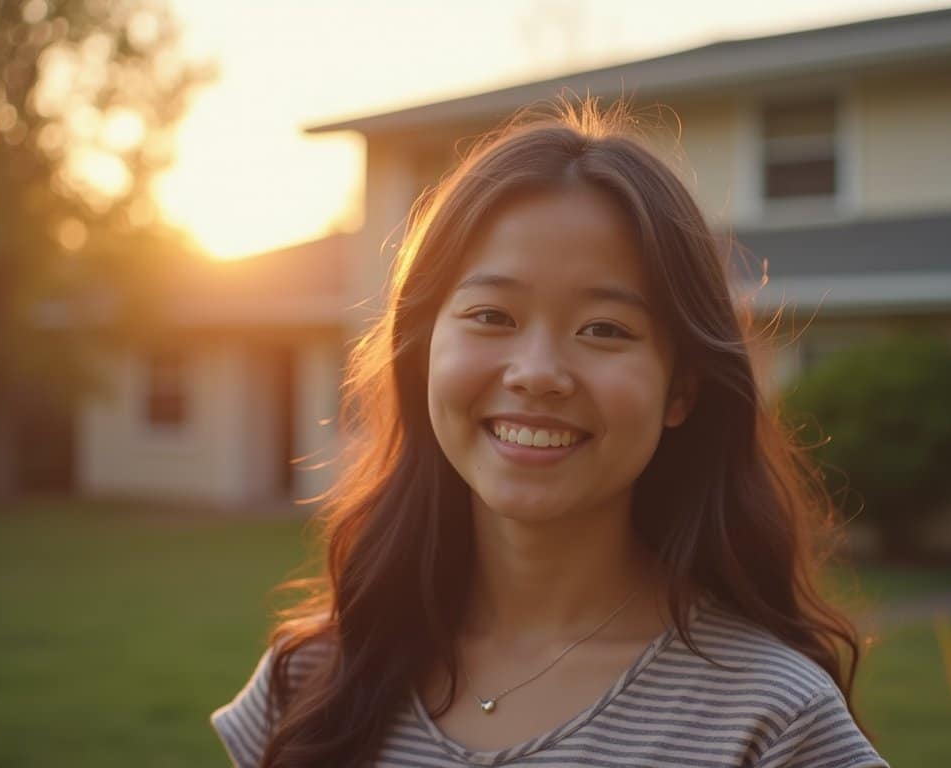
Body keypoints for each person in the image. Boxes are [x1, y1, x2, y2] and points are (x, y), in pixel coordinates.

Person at [210, 99, 888, 768]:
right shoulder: (312, 683)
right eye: (491, 315)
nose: (537, 374)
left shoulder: (772, 719)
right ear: (421, 354)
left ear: (680, 389)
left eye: (604, 329)